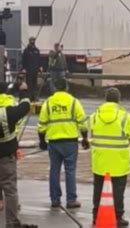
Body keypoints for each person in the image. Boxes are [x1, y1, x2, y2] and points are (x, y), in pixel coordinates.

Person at [90, 88, 130, 227]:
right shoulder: (125, 116)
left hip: (99, 159)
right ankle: (118, 217)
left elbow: (90, 131)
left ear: (105, 99)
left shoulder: (95, 115)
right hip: (119, 160)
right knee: (118, 190)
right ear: (118, 100)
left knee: (98, 189)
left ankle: (96, 216)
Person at [37, 78, 89, 209]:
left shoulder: (48, 103)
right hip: (70, 141)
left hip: (54, 142)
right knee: (70, 171)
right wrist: (85, 138)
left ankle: (55, 199)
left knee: (54, 170)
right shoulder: (73, 102)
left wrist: (42, 141)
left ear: (54, 88)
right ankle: (71, 200)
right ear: (67, 87)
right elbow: (82, 122)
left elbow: (41, 125)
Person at [0, 82, 37, 228]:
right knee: (10, 189)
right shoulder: (7, 113)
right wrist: (23, 90)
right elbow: (25, 106)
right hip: (6, 156)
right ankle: (12, 222)